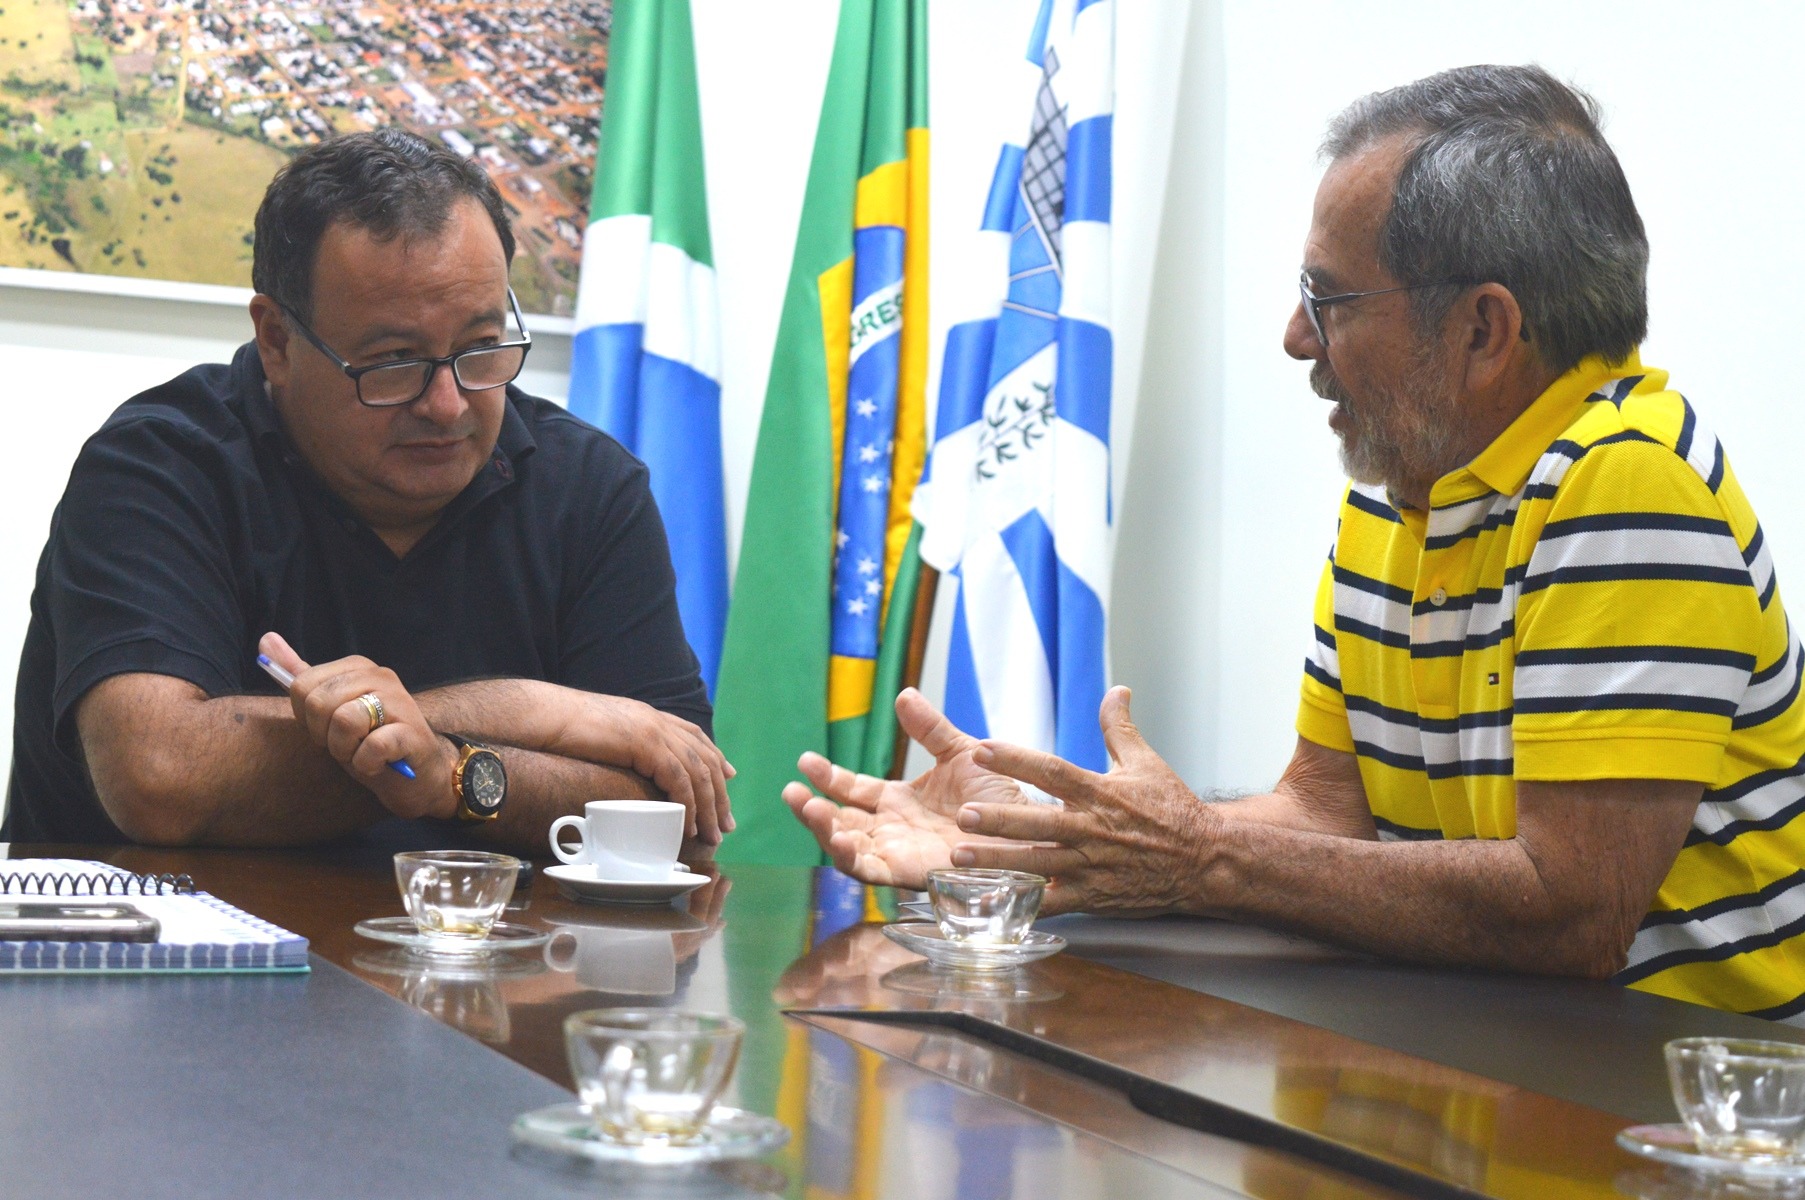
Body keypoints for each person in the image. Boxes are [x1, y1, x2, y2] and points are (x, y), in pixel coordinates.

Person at [783, 65, 1805, 1019]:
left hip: (1669, 1106)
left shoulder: (1625, 487)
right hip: (1480, 1050)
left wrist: (1195, 857)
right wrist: (1041, 839)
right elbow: (1324, 816)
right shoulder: (1398, 492)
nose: (1293, 337)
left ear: (1483, 332)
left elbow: (1570, 911)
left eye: (1328, 299)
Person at [6, 129, 733, 854]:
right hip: (149, 958)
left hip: (493, 960)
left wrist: (453, 771)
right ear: (278, 342)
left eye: (482, 348)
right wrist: (521, 709)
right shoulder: (159, 463)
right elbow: (161, 776)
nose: (448, 404)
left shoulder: (587, 487)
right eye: (393, 362)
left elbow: (679, 809)